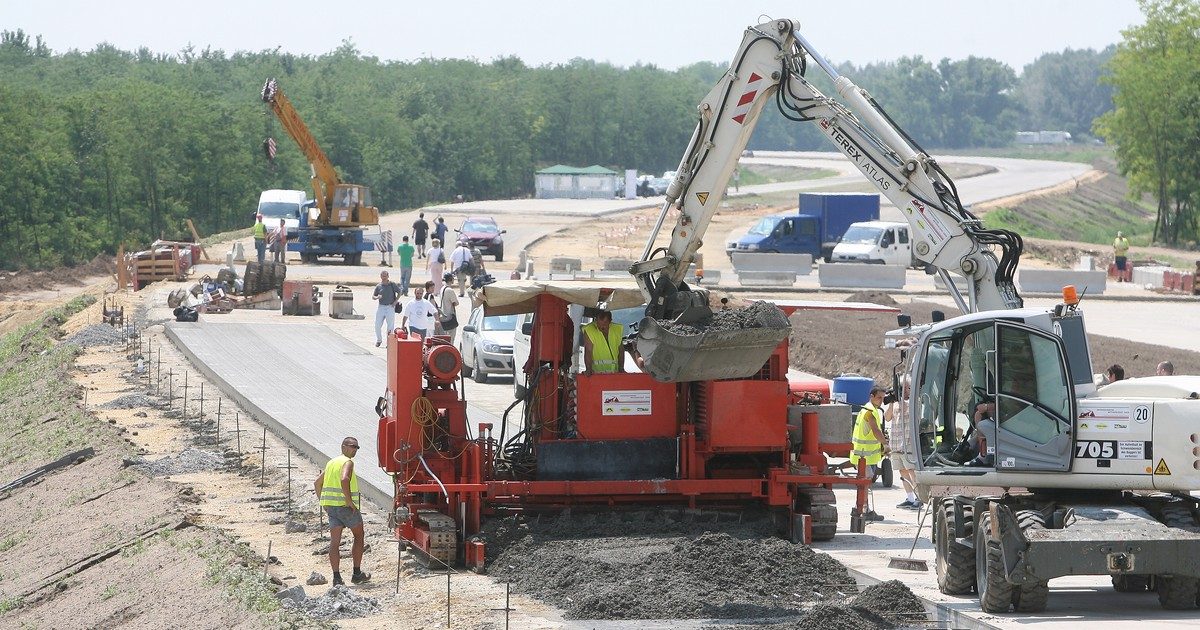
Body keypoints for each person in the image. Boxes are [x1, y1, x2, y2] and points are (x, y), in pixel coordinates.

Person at [314, 436, 370, 586]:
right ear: (343, 446)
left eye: (357, 447)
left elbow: (317, 483)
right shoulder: (347, 462)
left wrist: (323, 502)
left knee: (335, 542)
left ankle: (337, 578)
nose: (355, 449)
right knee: (359, 536)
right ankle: (357, 574)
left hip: (332, 508)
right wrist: (349, 501)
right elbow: (345, 479)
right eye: (352, 446)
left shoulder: (332, 462)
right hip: (346, 508)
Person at [849, 387, 887, 521]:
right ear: (871, 396)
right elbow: (876, 430)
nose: (881, 401)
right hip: (862, 455)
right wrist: (886, 444)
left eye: (883, 398)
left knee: (865, 482)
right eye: (879, 398)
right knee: (865, 482)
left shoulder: (868, 409)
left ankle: (862, 508)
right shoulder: (869, 412)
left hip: (862, 455)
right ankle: (862, 510)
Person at [888, 385, 922, 510]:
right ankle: (910, 498)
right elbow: (887, 417)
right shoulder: (896, 403)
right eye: (902, 388)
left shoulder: (914, 401)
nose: (905, 390)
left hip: (907, 442)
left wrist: (899, 399)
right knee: (902, 471)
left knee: (912, 471)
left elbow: (907, 409)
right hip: (896, 443)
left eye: (907, 387)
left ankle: (919, 498)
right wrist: (892, 402)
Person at [581, 309, 624, 375]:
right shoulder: (589, 330)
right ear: (596, 320)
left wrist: (621, 368)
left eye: (604, 324)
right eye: (599, 324)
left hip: (615, 373)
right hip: (597, 374)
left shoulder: (617, 330)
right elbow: (588, 351)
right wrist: (588, 369)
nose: (601, 327)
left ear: (610, 322)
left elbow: (621, 350)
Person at [372, 270, 401, 348]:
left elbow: (399, 292)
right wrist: (377, 297)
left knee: (390, 326)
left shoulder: (392, 284)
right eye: (382, 276)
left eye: (385, 276)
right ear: (380, 276)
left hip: (390, 307)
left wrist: (395, 302)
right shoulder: (378, 286)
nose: (384, 277)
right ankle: (379, 340)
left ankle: (389, 342)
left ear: (388, 276)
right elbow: (373, 296)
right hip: (381, 307)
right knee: (377, 324)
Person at [438, 272, 461, 343]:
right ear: (451, 279)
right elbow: (456, 303)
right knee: (451, 340)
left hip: (443, 315)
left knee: (444, 339)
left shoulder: (442, 288)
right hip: (450, 317)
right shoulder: (450, 290)